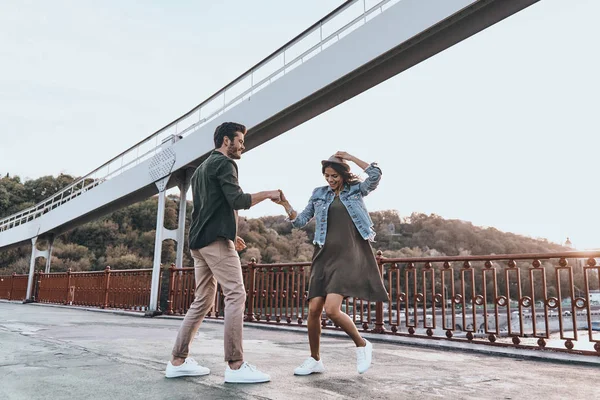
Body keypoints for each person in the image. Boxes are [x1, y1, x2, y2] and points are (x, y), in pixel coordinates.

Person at [165, 122, 280, 384]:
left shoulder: (201, 169)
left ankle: (177, 361)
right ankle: (236, 365)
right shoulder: (225, 163)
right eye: (239, 140)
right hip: (215, 242)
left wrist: (230, 232)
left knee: (203, 300)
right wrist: (269, 193)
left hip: (199, 242)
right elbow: (238, 200)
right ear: (226, 140)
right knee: (236, 294)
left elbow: (207, 208)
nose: (242, 145)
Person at [276, 151, 388, 375]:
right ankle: (315, 359)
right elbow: (299, 221)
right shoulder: (319, 194)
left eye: (334, 175)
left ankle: (363, 344)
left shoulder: (356, 190)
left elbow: (375, 175)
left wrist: (350, 156)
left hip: (348, 255)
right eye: (327, 176)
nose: (330, 180)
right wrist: (285, 204)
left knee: (332, 310)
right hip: (322, 255)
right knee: (314, 309)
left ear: (344, 175)